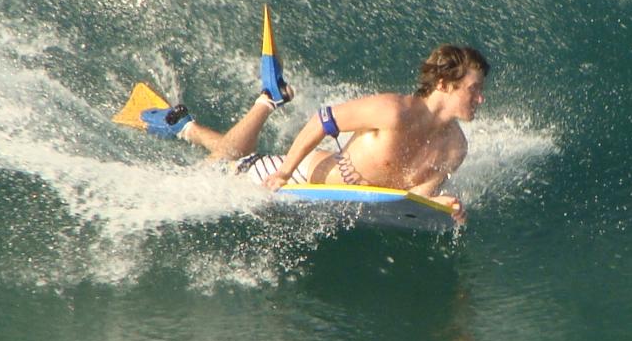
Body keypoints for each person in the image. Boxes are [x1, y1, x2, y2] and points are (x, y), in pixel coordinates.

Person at [141, 44, 489, 224]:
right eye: (473, 89)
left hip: (342, 201)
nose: (480, 98)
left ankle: (189, 126)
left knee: (239, 157)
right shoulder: (393, 110)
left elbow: (414, 197)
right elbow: (321, 121)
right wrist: (285, 171)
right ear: (444, 84)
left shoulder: (455, 148)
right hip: (304, 177)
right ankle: (261, 102)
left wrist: (438, 206)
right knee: (219, 169)